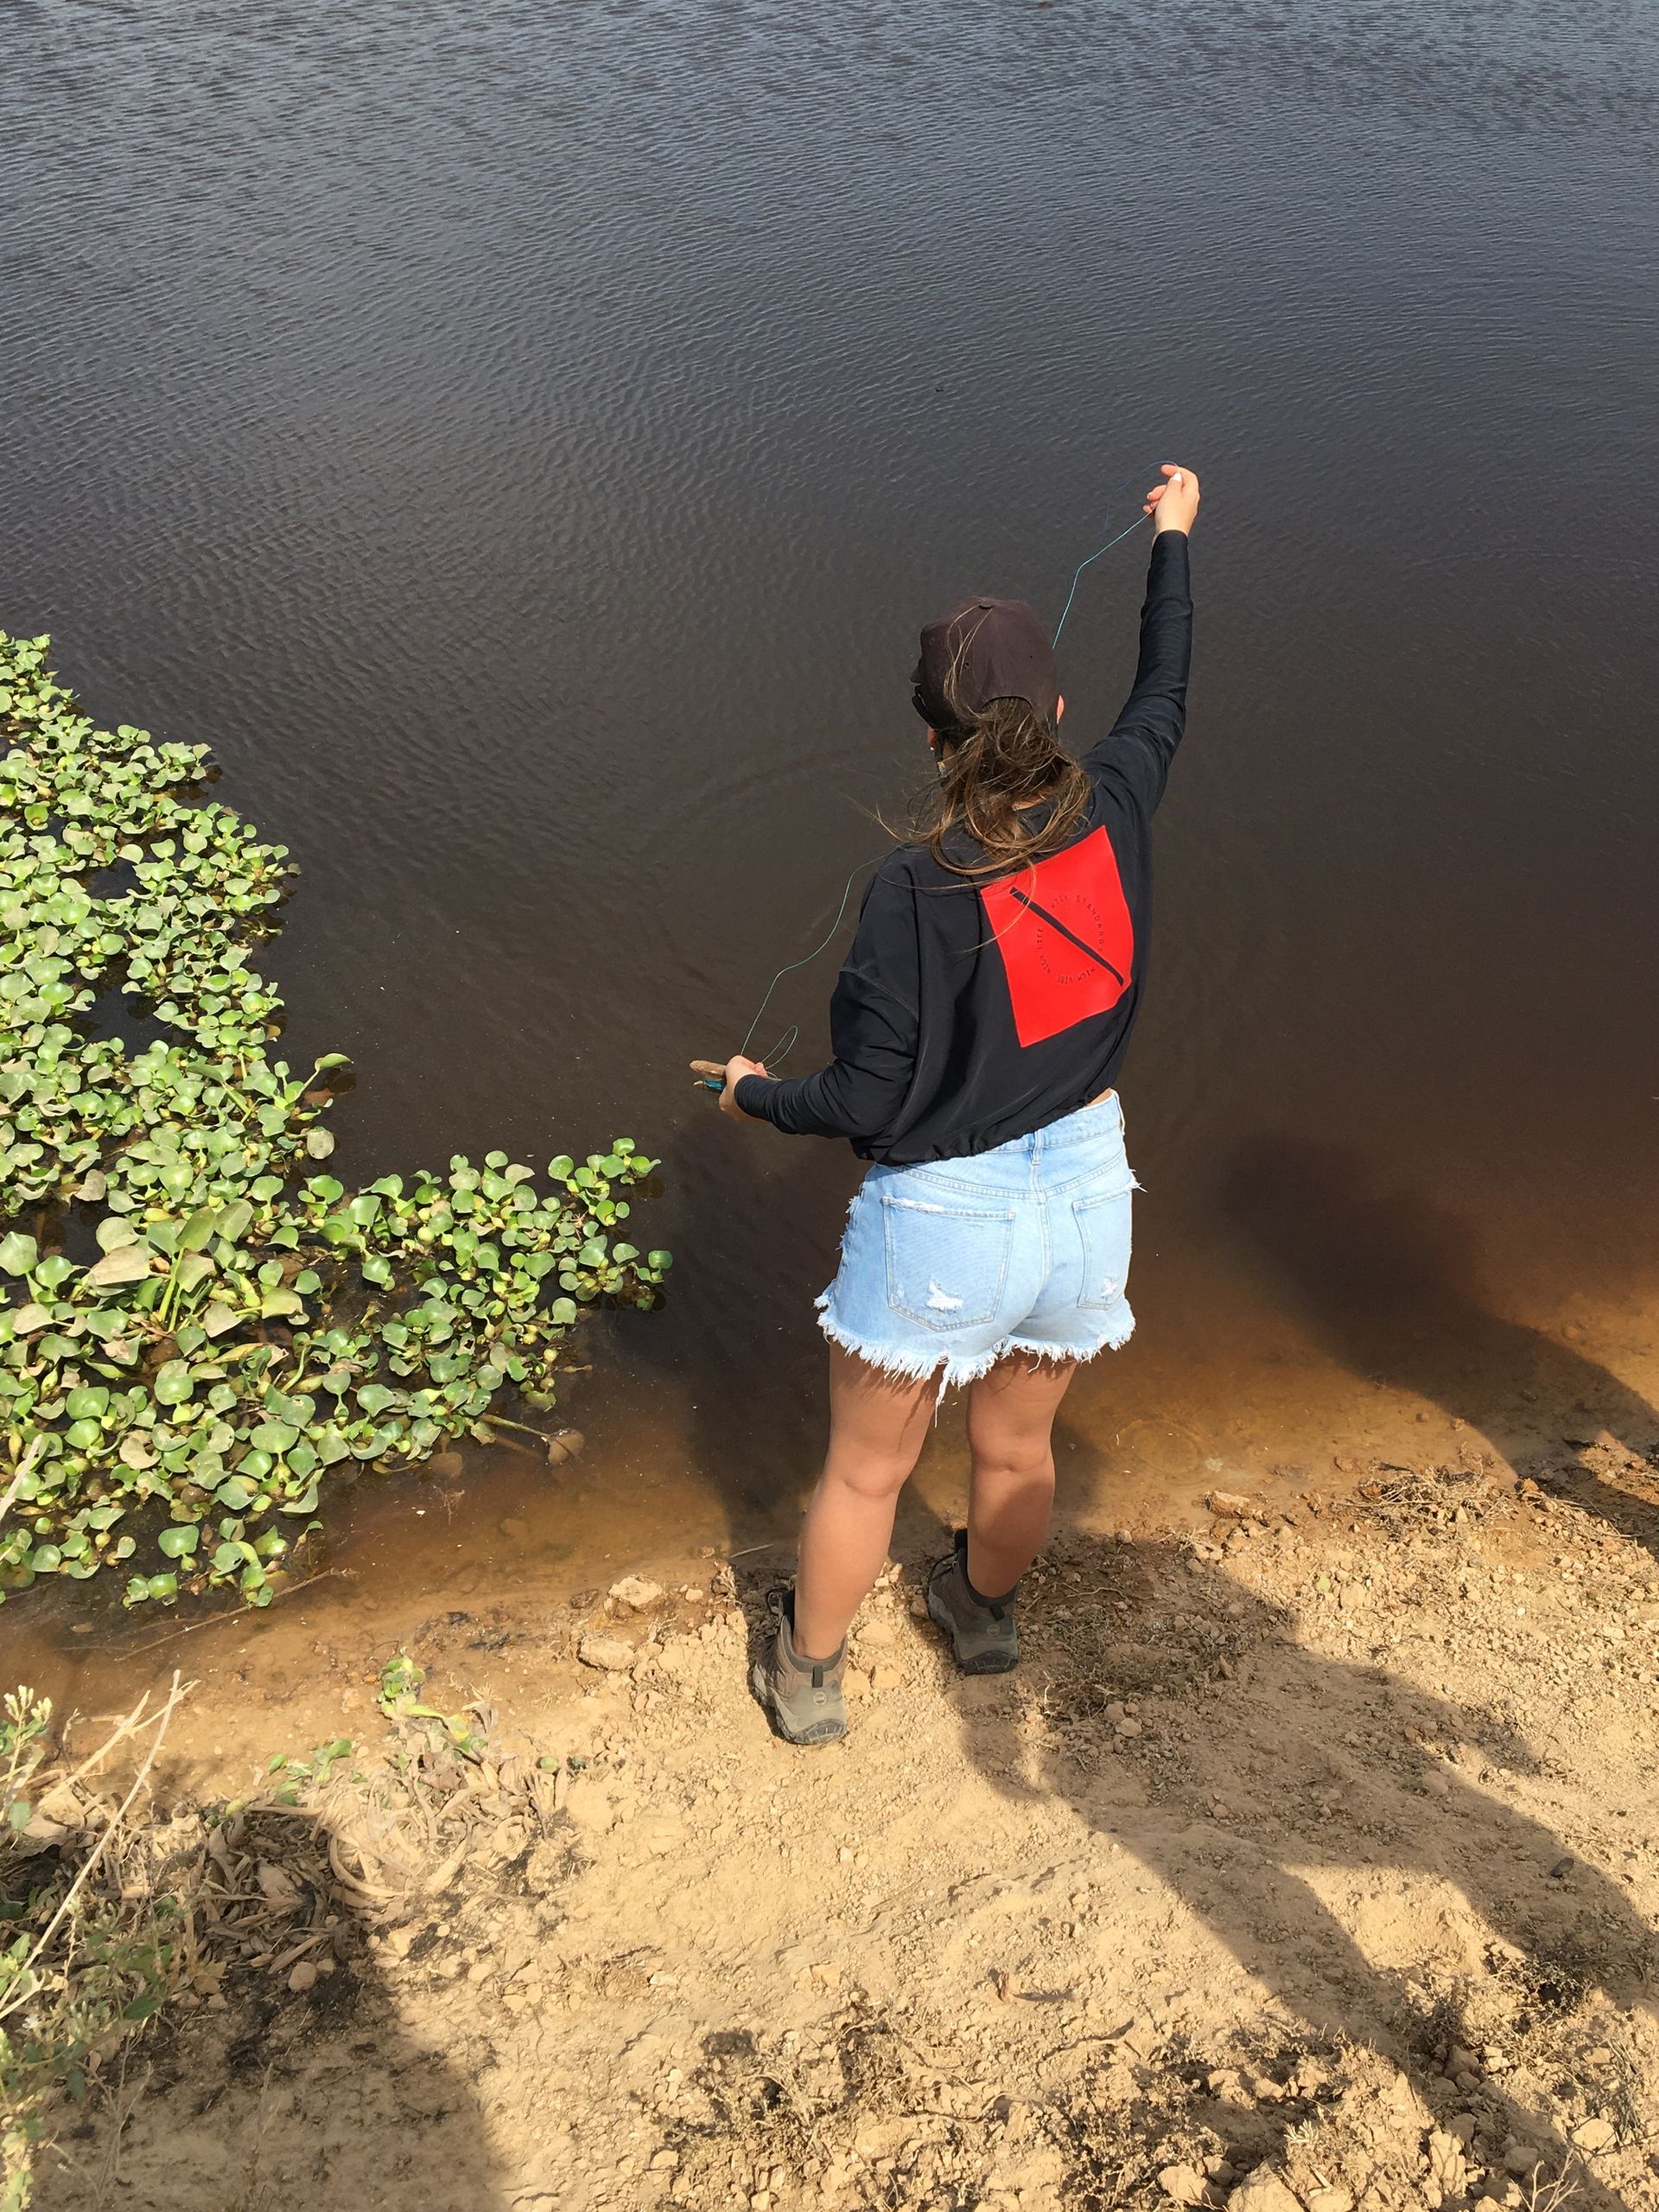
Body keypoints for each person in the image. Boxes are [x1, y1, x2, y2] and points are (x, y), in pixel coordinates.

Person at [716, 463, 1199, 1745]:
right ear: (1055, 709)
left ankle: (808, 1679)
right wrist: (1171, 539)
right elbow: (1167, 690)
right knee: (1016, 1454)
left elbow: (872, 1092)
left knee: (867, 1470)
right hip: (1092, 1195)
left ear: (934, 743)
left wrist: (761, 1098)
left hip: (945, 1217)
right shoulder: (1124, 799)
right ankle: (982, 1620)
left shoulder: (911, 887)